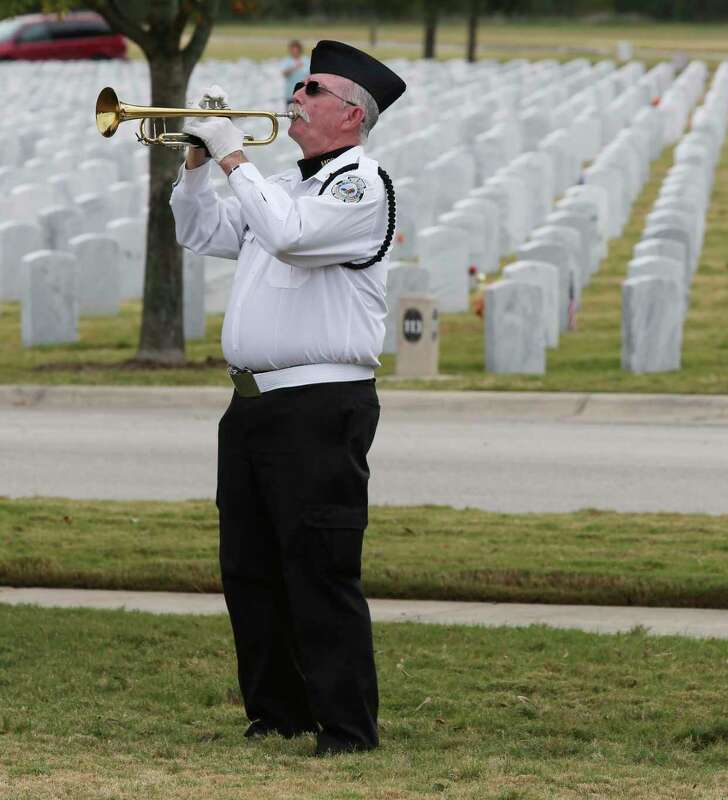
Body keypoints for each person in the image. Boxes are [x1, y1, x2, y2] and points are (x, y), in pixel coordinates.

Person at [170, 40, 406, 757]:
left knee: (319, 567)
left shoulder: (361, 185)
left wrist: (235, 157)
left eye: (310, 89)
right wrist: (196, 165)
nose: (294, 97)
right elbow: (198, 230)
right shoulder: (285, 182)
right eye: (298, 86)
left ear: (349, 112)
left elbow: (291, 237)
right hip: (252, 404)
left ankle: (346, 727)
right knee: (249, 564)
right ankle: (277, 710)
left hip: (319, 405)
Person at [281, 39, 308, 108]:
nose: (295, 51)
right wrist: (295, 67)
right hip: (291, 95)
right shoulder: (286, 60)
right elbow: (284, 73)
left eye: (296, 49)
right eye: (293, 49)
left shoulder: (306, 60)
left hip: (304, 95)